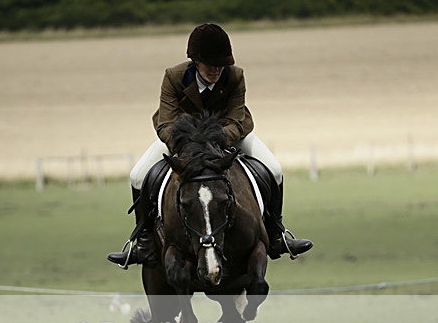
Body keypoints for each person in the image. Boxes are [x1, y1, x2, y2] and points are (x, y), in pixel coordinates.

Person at [108, 23, 312, 267]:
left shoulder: (235, 76)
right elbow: (165, 123)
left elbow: (235, 121)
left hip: (228, 137)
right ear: (195, 61)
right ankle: (143, 242)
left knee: (275, 170)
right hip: (182, 141)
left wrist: (213, 140)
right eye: (210, 64)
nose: (216, 70)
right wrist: (190, 144)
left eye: (220, 65)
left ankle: (277, 233)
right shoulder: (174, 77)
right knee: (138, 175)